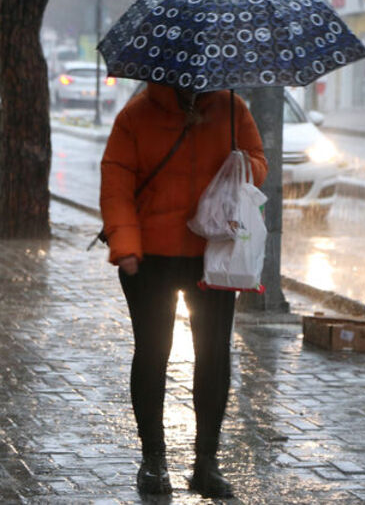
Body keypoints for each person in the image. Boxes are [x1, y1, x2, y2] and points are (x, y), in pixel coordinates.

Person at [100, 83, 267, 498]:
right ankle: (153, 460)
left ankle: (206, 462)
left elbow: (260, 165)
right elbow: (116, 180)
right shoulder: (136, 115)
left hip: (212, 255)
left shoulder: (233, 109)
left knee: (213, 355)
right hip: (148, 257)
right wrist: (125, 247)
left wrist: (244, 163)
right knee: (153, 352)